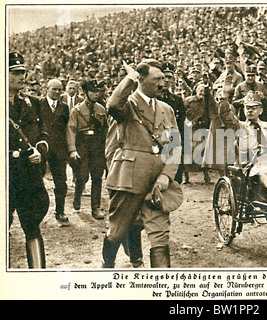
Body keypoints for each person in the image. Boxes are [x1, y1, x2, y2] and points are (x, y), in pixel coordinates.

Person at [102, 59, 182, 268]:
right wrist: (129, 78)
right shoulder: (128, 105)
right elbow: (112, 106)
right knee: (117, 230)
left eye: (164, 79)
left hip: (158, 183)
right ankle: (105, 269)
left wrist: (166, 175)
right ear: (142, 79)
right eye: (158, 79)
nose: (163, 83)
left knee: (160, 235)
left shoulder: (167, 109)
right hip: (129, 180)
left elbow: (175, 146)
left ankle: (160, 286)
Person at [8, 51, 50, 268]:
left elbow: (43, 134)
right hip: (5, 180)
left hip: (28, 178)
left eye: (23, 72)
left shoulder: (33, 103)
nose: (21, 76)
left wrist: (40, 151)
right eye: (15, 72)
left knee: (32, 226)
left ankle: (38, 274)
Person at [67, 79, 107, 220]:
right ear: (85, 93)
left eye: (97, 92)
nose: (96, 94)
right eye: (93, 91)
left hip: (96, 146)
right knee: (83, 176)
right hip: (82, 145)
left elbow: (105, 130)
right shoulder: (76, 110)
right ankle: (77, 198)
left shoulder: (101, 109)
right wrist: (72, 149)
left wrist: (106, 148)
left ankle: (95, 208)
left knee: (97, 177)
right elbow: (71, 130)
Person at [39, 79, 70, 225]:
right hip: (42, 149)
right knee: (36, 181)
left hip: (59, 151)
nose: (57, 92)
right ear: (47, 89)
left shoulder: (64, 108)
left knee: (61, 183)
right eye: (54, 90)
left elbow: (66, 129)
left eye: (60, 90)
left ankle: (60, 211)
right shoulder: (38, 104)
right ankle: (35, 213)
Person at [159, 63, 187, 184]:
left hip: (173, 145)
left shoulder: (177, 100)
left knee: (174, 182)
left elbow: (181, 127)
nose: (166, 80)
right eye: (163, 77)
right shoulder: (154, 100)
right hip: (157, 147)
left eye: (169, 77)